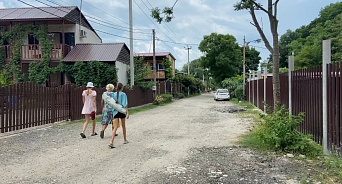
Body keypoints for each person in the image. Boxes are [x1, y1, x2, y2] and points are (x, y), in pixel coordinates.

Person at [108, 83, 129, 148]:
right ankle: (125, 139)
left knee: (115, 127)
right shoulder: (123, 94)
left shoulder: (113, 94)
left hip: (115, 111)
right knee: (123, 126)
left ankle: (111, 142)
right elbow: (125, 104)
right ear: (122, 88)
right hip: (121, 111)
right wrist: (127, 113)